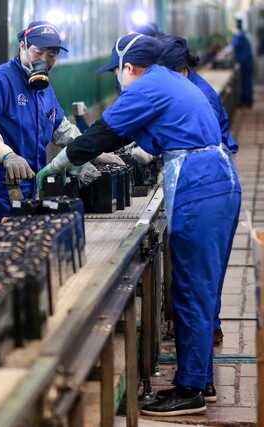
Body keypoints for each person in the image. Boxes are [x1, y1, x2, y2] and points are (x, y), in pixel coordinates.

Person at [37, 33, 241, 416]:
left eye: (117, 73)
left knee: (192, 288)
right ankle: (201, 380)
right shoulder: (170, 81)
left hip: (201, 184)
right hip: (215, 180)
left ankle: (191, 388)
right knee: (198, 286)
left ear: (128, 68)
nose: (119, 80)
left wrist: (60, 162)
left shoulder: (146, 85)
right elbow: (142, 133)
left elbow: (103, 133)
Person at [0, 20, 123, 241]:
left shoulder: (45, 89)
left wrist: (94, 152)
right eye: (38, 52)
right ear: (22, 47)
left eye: (52, 55)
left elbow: (62, 129)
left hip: (29, 191)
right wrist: (6, 154)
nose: (45, 61)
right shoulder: (0, 80)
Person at [159, 34, 240, 347]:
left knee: (201, 269)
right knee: (203, 267)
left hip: (208, 177)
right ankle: (204, 328)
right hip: (209, 174)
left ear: (180, 69)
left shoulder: (197, 92)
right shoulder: (186, 85)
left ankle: (208, 328)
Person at [233, 19, 254, 107]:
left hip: (245, 62)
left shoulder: (239, 36)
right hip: (247, 61)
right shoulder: (243, 34)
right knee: (246, 81)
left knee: (246, 82)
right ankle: (246, 99)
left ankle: (248, 100)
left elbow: (235, 47)